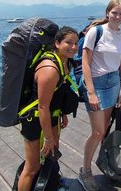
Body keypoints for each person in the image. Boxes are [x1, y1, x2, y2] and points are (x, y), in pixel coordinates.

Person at [78, 0, 121, 191]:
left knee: (105, 127)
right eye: (114, 13)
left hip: (114, 83)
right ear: (108, 13)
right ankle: (85, 171)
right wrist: (91, 92)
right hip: (97, 83)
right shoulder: (96, 32)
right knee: (98, 132)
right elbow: (85, 62)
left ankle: (103, 160)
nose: (118, 17)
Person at [17, 26, 79, 191]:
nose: (73, 47)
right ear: (57, 43)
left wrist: (63, 115)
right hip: (36, 120)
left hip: (52, 117)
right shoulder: (50, 69)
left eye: (76, 43)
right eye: (69, 43)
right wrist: (49, 138)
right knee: (32, 167)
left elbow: (58, 95)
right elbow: (43, 106)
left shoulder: (65, 62)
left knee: (50, 158)